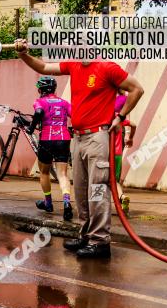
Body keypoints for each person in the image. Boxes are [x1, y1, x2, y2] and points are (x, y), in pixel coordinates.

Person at [15, 39, 144, 259]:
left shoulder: (107, 68)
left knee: (98, 191)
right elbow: (44, 68)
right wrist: (24, 54)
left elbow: (137, 89)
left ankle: (100, 241)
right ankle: (85, 235)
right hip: (78, 138)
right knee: (81, 191)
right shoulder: (74, 65)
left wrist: (120, 117)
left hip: (97, 137)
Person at [28, 76, 74, 221]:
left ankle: (48, 203)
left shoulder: (39, 101)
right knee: (63, 174)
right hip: (63, 139)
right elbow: (75, 116)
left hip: (47, 139)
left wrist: (31, 128)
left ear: (41, 89)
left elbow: (39, 112)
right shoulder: (64, 102)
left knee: (44, 172)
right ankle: (66, 203)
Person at [113, 94, 137, 215]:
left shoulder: (104, 118)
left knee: (100, 181)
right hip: (117, 154)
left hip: (105, 154)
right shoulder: (119, 119)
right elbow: (133, 124)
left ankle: (100, 209)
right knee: (115, 181)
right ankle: (122, 198)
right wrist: (131, 137)